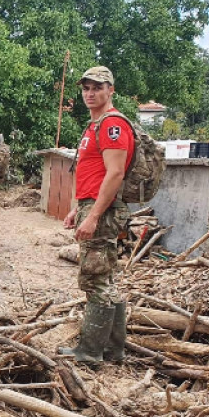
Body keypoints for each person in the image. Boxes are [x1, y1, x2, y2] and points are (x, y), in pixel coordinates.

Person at [59, 66, 133, 366]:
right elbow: (95, 173)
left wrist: (94, 216)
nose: (90, 93)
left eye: (97, 88)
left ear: (110, 90)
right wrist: (80, 208)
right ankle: (114, 351)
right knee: (106, 278)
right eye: (86, 88)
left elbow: (115, 173)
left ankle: (90, 352)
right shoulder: (96, 125)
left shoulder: (113, 125)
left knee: (94, 279)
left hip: (103, 210)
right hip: (93, 205)